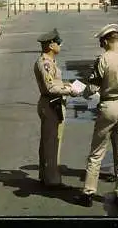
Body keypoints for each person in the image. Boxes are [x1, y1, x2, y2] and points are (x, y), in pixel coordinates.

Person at [76, 24, 118, 212]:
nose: (100, 44)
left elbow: (93, 87)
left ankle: (89, 192)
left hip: (109, 106)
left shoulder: (104, 59)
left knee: (97, 151)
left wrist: (81, 91)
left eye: (101, 41)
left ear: (106, 41)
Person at [33, 28, 79, 188]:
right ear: (51, 45)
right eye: (58, 43)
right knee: (52, 143)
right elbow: (50, 88)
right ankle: (52, 180)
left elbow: (54, 82)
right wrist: (69, 90)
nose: (60, 45)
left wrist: (65, 84)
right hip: (51, 103)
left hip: (53, 103)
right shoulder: (45, 63)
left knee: (48, 141)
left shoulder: (50, 62)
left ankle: (45, 175)